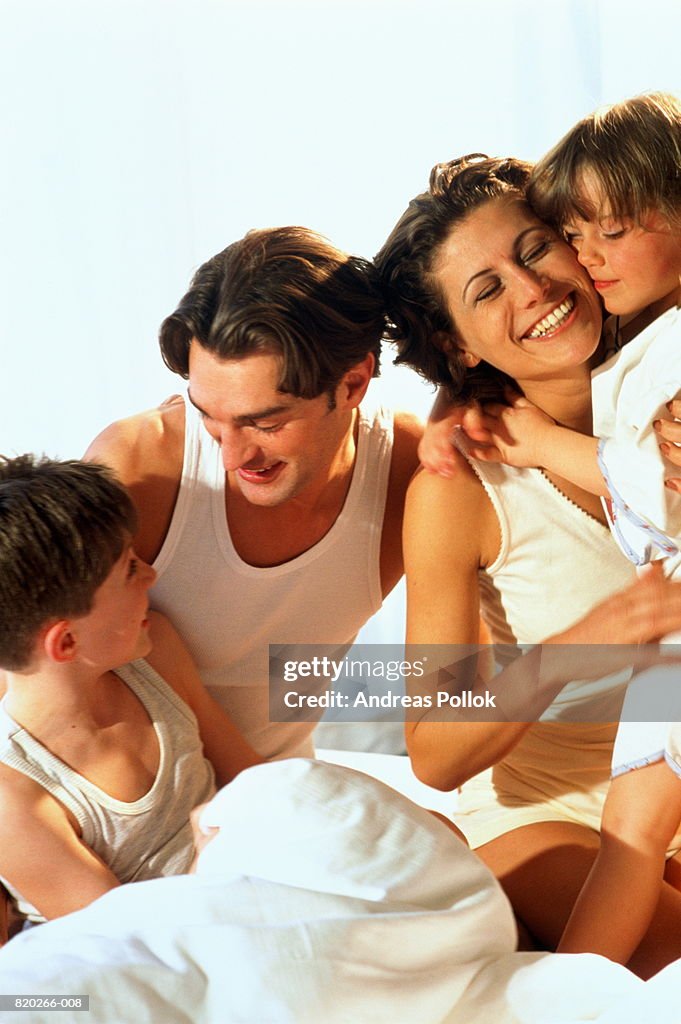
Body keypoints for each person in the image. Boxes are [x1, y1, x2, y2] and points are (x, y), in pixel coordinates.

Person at [373, 153, 681, 978]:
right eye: (486, 291)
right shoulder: (460, 489)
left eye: (535, 248)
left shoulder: (666, 385)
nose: (533, 289)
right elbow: (434, 750)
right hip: (547, 814)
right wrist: (590, 639)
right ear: (454, 346)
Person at [85, 226, 421, 761]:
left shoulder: (408, 469)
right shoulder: (137, 470)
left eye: (264, 423)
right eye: (210, 419)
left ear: (354, 384)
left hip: (273, 798)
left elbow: (459, 681)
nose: (232, 457)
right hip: (128, 810)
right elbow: (29, 689)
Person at [0, 455, 261, 939]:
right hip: (154, 960)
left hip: (243, 894)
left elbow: (254, 776)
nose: (152, 576)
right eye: (130, 569)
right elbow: (126, 943)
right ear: (67, 643)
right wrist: (213, 852)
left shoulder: (154, 650)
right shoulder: (14, 798)